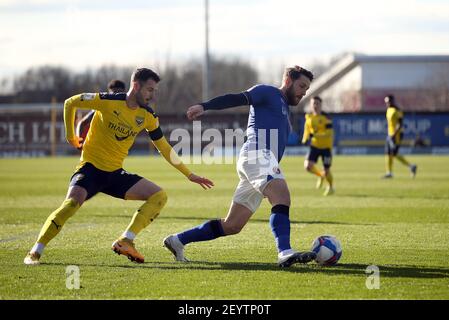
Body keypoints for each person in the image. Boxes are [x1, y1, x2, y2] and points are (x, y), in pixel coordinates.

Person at [24, 68, 214, 265]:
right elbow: (70, 103)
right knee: (71, 204)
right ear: (136, 86)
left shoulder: (147, 115)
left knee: (159, 196)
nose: (152, 95)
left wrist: (189, 174)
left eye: (154, 90)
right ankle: (35, 252)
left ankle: (126, 240)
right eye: (149, 89)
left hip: (114, 174)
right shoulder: (107, 101)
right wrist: (70, 136)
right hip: (90, 169)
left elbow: (164, 147)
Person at [163, 66, 317, 268]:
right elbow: (236, 98)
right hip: (256, 154)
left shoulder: (283, 107)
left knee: (232, 225)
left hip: (259, 160)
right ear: (288, 81)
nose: (304, 92)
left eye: (306, 88)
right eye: (301, 86)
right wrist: (204, 106)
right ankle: (285, 252)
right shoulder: (268, 92)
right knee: (282, 196)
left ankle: (177, 240)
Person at [75, 79, 126, 148]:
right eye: (113, 93)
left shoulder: (131, 107)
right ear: (109, 93)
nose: (116, 96)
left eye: (118, 93)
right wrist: (79, 140)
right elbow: (82, 122)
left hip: (116, 150)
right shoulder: (101, 107)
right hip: (97, 148)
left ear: (124, 92)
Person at [301, 96, 334, 196]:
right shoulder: (309, 117)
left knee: (327, 170)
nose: (315, 105)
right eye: (313, 104)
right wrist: (304, 139)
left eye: (317, 103)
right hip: (314, 145)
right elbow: (307, 130)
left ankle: (331, 187)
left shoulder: (326, 118)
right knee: (307, 166)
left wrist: (315, 135)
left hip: (326, 147)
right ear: (311, 105)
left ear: (320, 105)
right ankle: (320, 175)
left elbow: (328, 133)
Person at [382, 95, 417, 179]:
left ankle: (411, 166)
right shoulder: (388, 110)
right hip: (389, 134)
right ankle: (389, 172)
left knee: (394, 153)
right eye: (386, 102)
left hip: (396, 135)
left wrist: (394, 134)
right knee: (388, 153)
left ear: (392, 101)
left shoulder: (397, 110)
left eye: (388, 101)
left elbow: (400, 124)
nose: (387, 103)